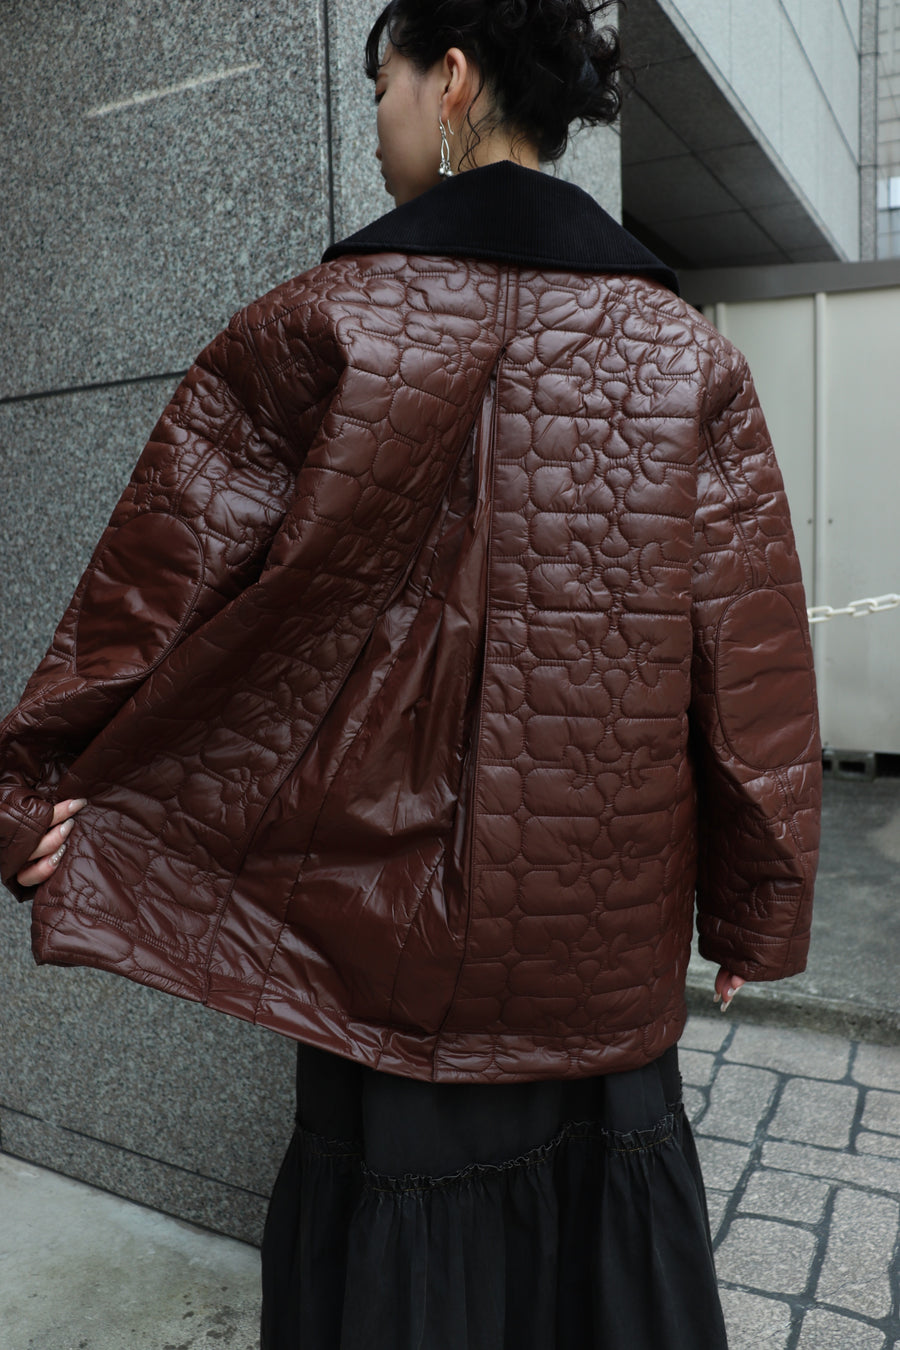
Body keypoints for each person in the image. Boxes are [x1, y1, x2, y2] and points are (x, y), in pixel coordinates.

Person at [0, 1, 822, 1346]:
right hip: (599, 942)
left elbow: (158, 583)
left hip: (371, 942)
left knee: (392, 1262)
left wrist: (30, 790)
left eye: (380, 81)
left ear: (449, 81)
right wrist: (756, 905)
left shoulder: (317, 322)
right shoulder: (689, 358)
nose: (376, 112)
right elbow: (751, 664)